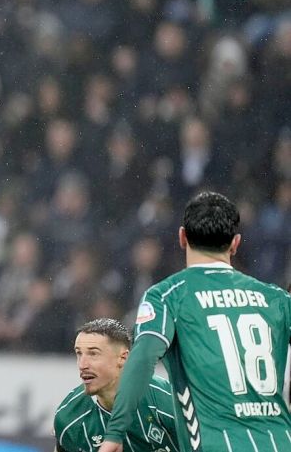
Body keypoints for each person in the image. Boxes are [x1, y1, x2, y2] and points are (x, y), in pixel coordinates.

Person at [100, 192, 291, 452]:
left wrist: (115, 432)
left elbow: (142, 359)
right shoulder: (277, 298)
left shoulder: (167, 296)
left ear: (182, 237)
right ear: (235, 244)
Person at [54, 318, 178, 452]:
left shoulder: (164, 400)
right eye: (79, 353)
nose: (82, 365)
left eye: (93, 354)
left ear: (123, 358)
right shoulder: (69, 418)